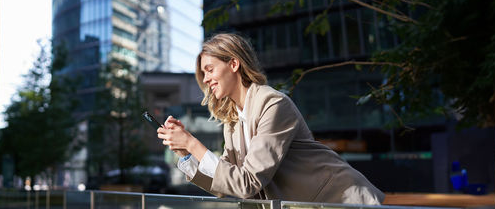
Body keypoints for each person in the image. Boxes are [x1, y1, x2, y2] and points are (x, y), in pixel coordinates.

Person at [157, 33, 384, 204]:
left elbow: (247, 183)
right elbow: (226, 185)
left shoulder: (273, 104)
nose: (205, 79)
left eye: (209, 69)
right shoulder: (234, 121)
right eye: (203, 73)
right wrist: (185, 155)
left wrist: (191, 143)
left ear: (234, 64)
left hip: (343, 202)